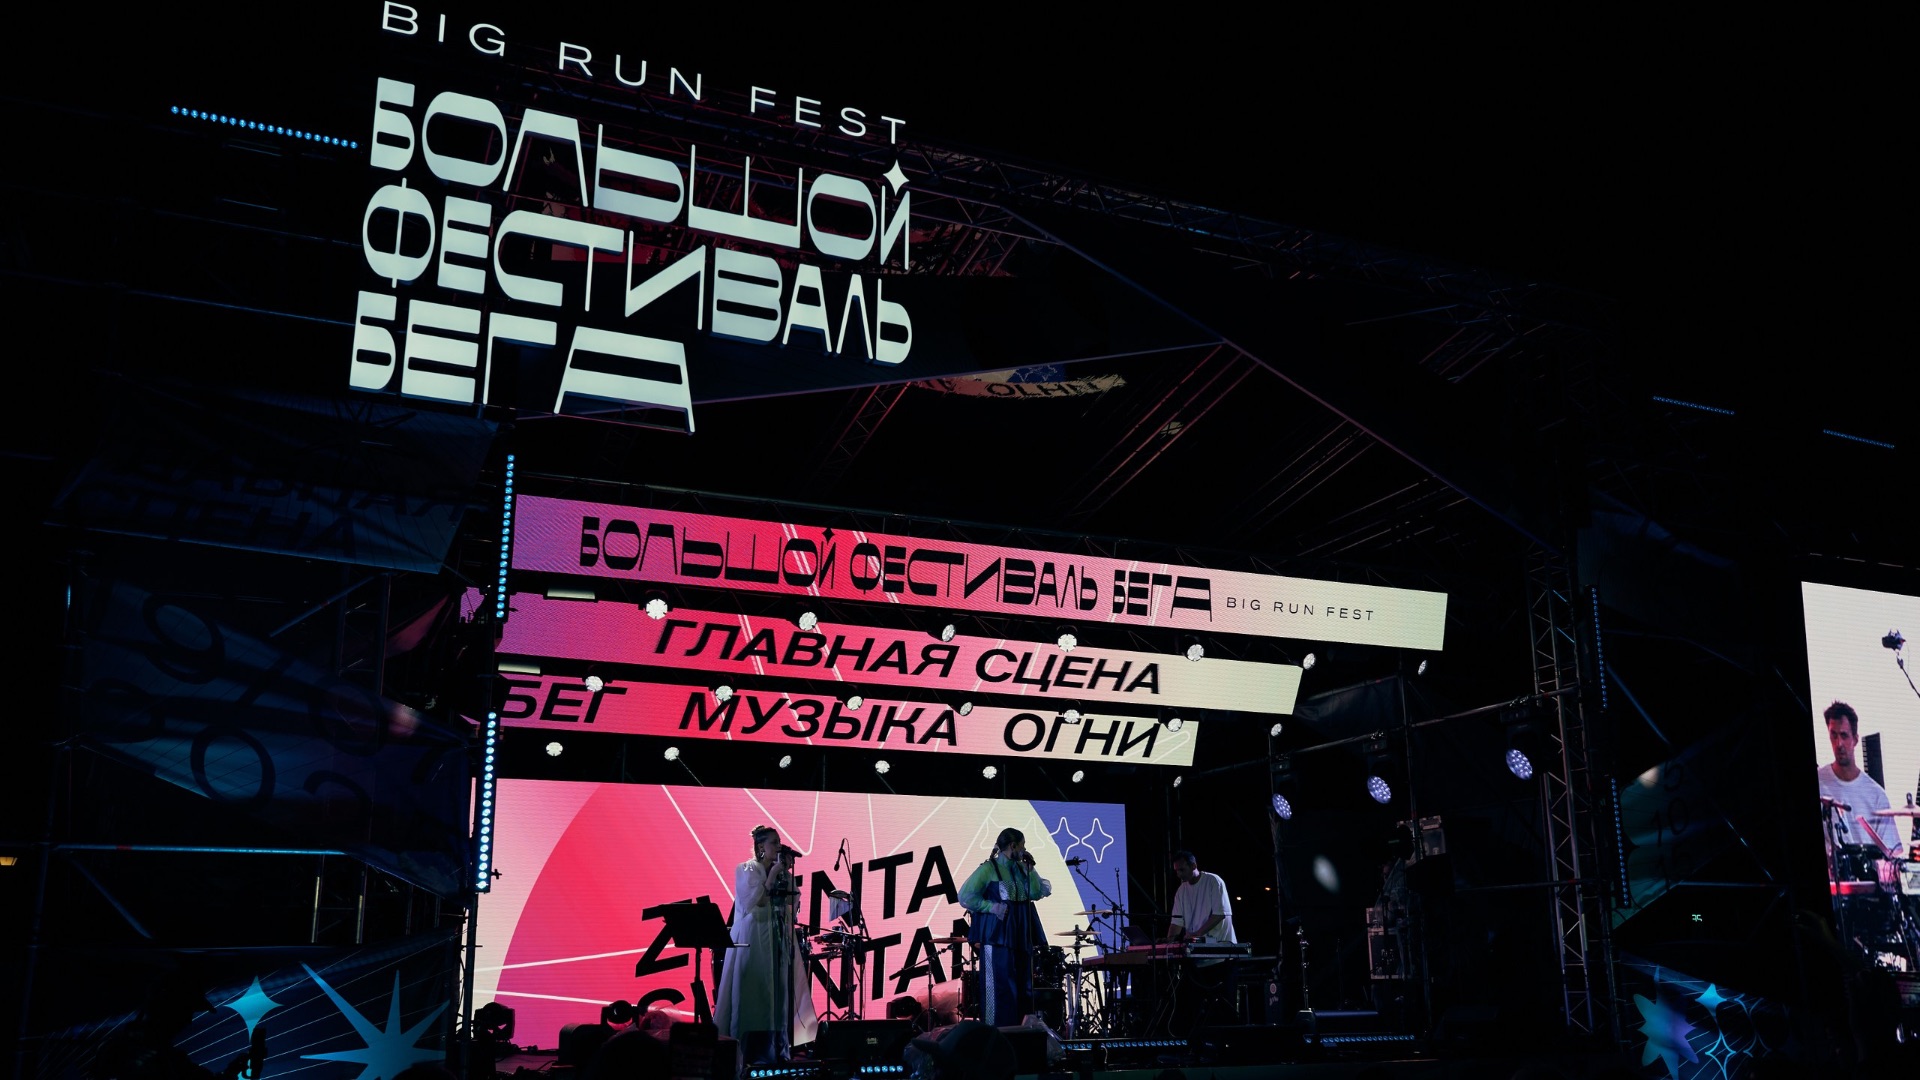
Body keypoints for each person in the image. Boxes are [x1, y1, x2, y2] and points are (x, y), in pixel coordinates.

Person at [713, 825, 817, 1060]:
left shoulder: (781, 873)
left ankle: (777, 1051)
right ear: (761, 847)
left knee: (778, 993)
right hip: (753, 938)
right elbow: (756, 901)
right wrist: (772, 875)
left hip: (777, 938)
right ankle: (745, 1054)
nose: (778, 846)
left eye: (779, 842)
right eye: (774, 842)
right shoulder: (746, 869)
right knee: (754, 992)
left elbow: (793, 901)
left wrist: (784, 873)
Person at [958, 827, 1052, 1025]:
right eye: (1023, 845)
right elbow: (965, 896)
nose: (1024, 849)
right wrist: (991, 907)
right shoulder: (988, 869)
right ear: (1013, 846)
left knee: (1023, 987)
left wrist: (1031, 871)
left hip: (1021, 936)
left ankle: (1021, 1033)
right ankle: (996, 1032)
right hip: (997, 937)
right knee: (999, 987)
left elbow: (1036, 893)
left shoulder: (1021, 869)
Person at [1167, 850, 1238, 1039]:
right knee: (1193, 1005)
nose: (1179, 874)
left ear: (1194, 866)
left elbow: (1220, 914)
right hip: (1199, 959)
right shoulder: (1181, 891)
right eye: (1176, 871)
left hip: (1222, 956)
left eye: (1182, 870)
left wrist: (1196, 934)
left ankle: (1228, 1043)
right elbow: (1176, 922)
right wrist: (1169, 941)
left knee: (1224, 1007)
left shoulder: (1213, 881)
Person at [1816, 702, 1899, 854]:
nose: (1839, 744)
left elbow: (1892, 854)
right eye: (1833, 735)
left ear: (1855, 739)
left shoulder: (1877, 796)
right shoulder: (1819, 781)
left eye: (1844, 735)